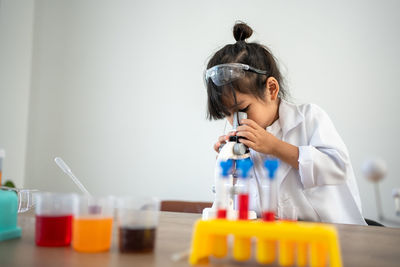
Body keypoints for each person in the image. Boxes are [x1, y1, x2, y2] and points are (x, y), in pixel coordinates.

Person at [205, 22, 366, 225]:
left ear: (271, 89)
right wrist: (229, 171)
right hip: (271, 241)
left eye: (242, 109)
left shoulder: (309, 118)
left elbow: (337, 168)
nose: (234, 121)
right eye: (226, 114)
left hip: (329, 239)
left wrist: (274, 146)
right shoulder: (244, 142)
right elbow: (244, 206)